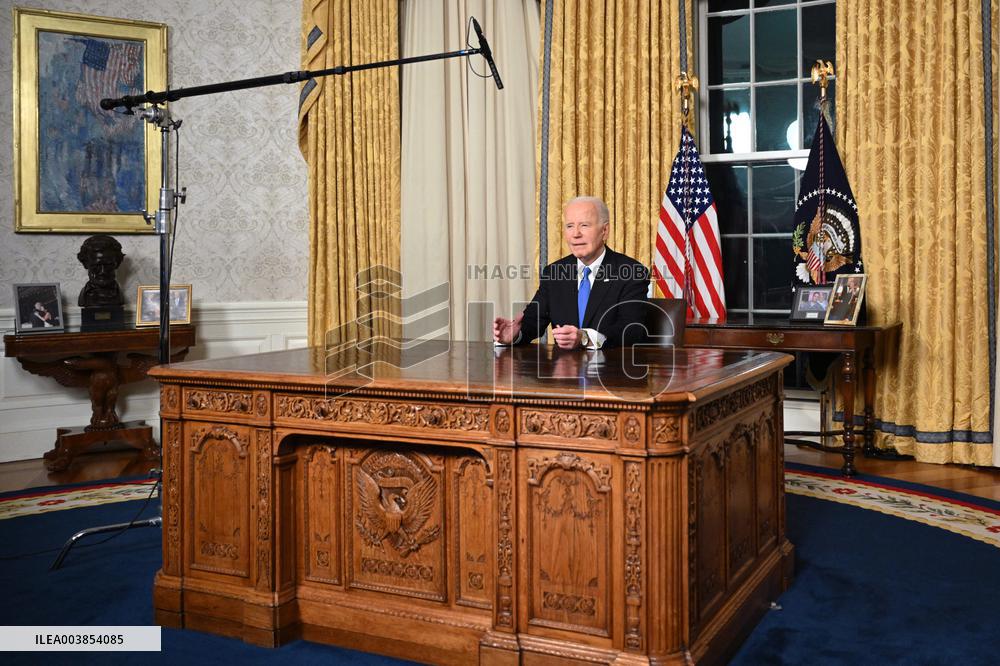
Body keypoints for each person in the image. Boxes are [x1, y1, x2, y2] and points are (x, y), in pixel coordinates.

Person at [493, 196, 649, 349]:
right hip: (564, 370)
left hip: (611, 370)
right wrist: (514, 335)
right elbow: (533, 321)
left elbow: (632, 330)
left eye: (584, 225)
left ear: (605, 230)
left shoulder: (632, 272)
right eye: (569, 226)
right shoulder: (555, 272)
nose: (575, 234)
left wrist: (585, 338)